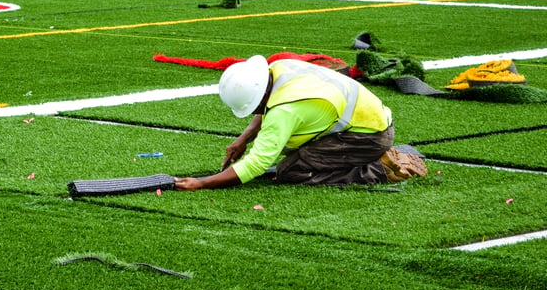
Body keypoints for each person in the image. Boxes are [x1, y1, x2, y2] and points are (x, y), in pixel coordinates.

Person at [174, 55, 427, 191]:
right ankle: (372, 158)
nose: (256, 112)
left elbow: (257, 163)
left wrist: (202, 183)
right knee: (294, 150)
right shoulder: (278, 69)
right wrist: (243, 139)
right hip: (370, 121)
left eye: (255, 107)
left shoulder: (284, 112)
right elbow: (268, 104)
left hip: (367, 136)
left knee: (290, 171)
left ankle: (380, 169)